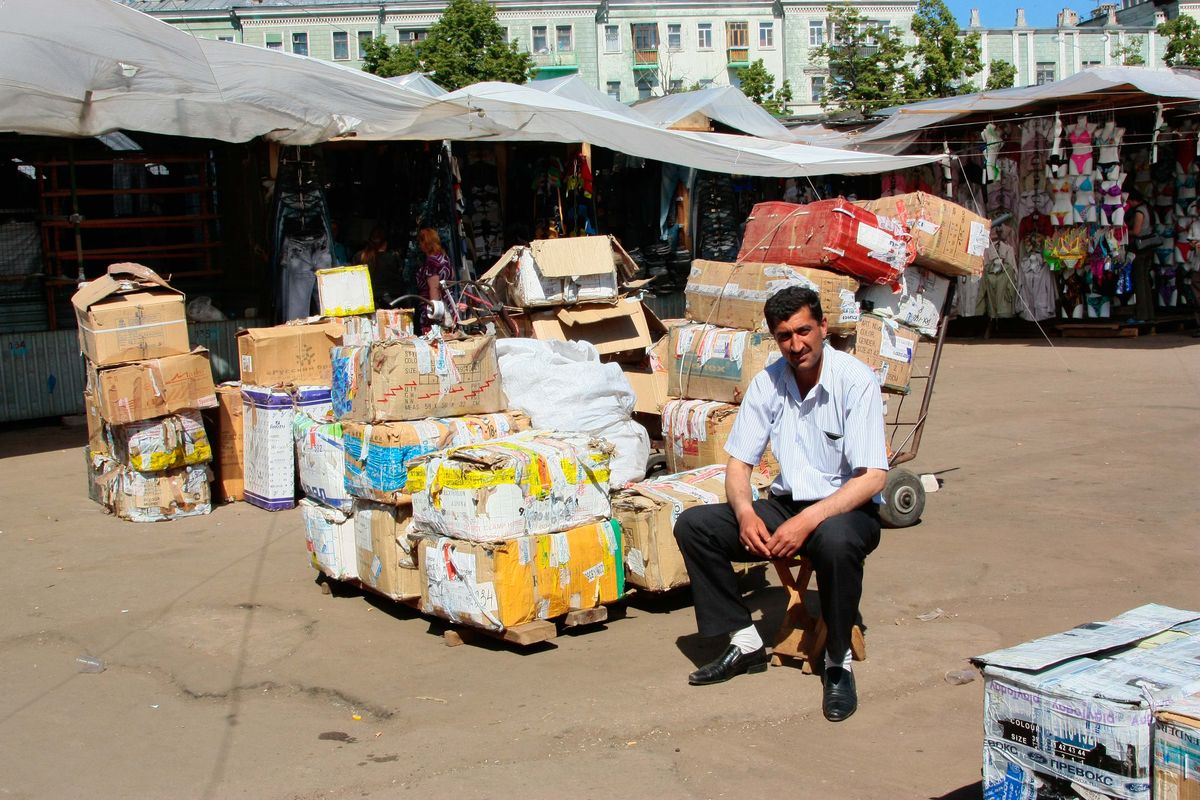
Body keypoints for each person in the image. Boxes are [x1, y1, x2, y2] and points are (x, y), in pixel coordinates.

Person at [673, 286, 888, 722]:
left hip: (847, 510)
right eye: (785, 336)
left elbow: (873, 478)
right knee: (694, 525)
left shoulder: (855, 380)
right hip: (787, 505)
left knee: (834, 540)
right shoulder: (767, 383)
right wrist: (746, 511)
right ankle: (745, 641)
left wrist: (808, 520)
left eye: (804, 331)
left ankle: (837, 662)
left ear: (823, 328)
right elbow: (738, 467)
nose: (796, 345)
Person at [1125, 190, 1155, 324]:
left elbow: (1136, 231)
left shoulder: (1139, 211)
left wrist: (1124, 232)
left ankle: (1141, 315)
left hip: (1140, 248)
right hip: (1148, 248)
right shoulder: (1147, 208)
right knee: (1145, 281)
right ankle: (1149, 314)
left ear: (1132, 200)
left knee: (1139, 282)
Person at [416, 227, 453, 333]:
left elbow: (434, 288)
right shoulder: (445, 258)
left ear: (425, 243)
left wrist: (434, 311)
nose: (419, 245)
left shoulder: (431, 263)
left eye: (420, 242)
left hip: (434, 307)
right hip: (447, 304)